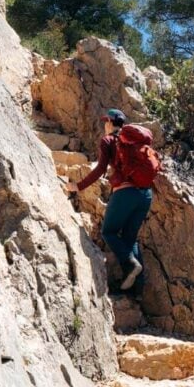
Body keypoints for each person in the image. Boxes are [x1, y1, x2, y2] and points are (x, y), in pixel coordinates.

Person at [66, 108, 153, 291]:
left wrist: (78, 186)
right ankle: (136, 291)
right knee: (130, 240)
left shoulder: (108, 140)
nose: (105, 125)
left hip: (125, 193)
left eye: (106, 121)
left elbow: (100, 170)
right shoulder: (134, 143)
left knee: (109, 232)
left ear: (110, 123)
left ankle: (131, 265)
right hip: (145, 195)